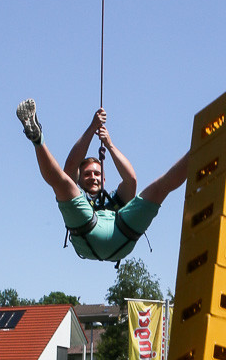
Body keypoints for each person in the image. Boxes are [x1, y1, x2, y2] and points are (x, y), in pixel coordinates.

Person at [16, 99, 189, 262]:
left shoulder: (116, 197)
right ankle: (38, 139)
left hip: (121, 234)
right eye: (87, 174)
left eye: (97, 174)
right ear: (80, 180)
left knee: (159, 188)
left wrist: (109, 145)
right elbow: (70, 167)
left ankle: (198, 150)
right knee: (63, 182)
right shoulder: (80, 198)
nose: (92, 177)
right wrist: (92, 127)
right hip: (88, 234)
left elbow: (131, 179)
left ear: (104, 178)